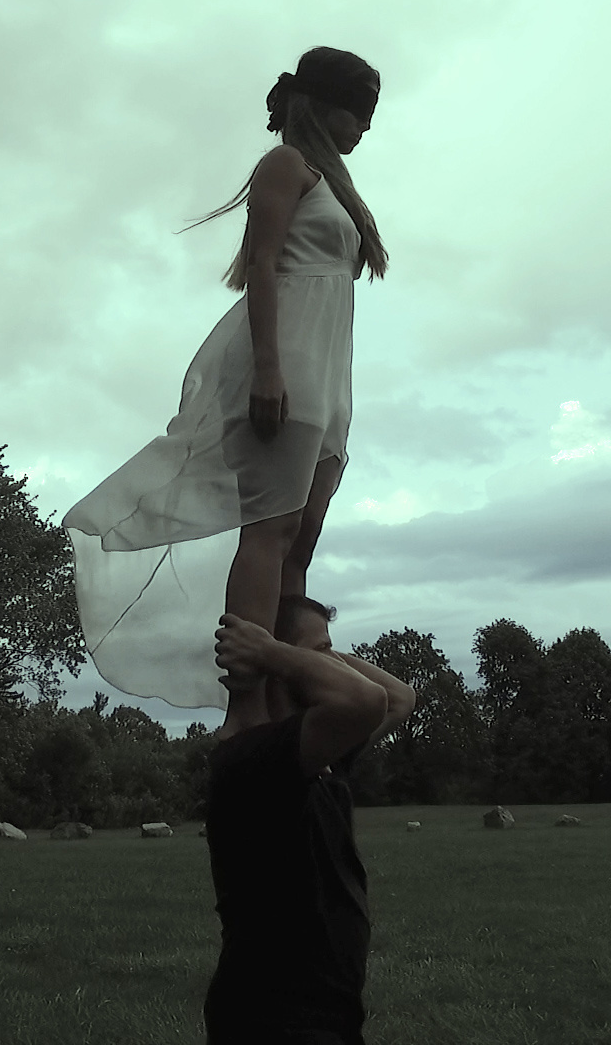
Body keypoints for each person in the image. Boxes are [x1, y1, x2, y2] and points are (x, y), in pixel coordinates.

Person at [63, 48, 387, 725]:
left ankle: (286, 693)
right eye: (359, 114)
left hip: (331, 378)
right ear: (325, 108)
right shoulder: (285, 166)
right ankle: (246, 710)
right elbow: (262, 264)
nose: (365, 129)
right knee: (270, 531)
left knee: (298, 542)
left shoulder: (334, 183)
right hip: (285, 363)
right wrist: (268, 368)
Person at [203, 595, 416, 1044]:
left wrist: (310, 654)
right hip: (272, 1021)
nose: (333, 664)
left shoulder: (323, 760)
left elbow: (399, 699)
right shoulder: (253, 760)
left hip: (327, 1014)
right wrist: (275, 654)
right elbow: (364, 701)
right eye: (320, 651)